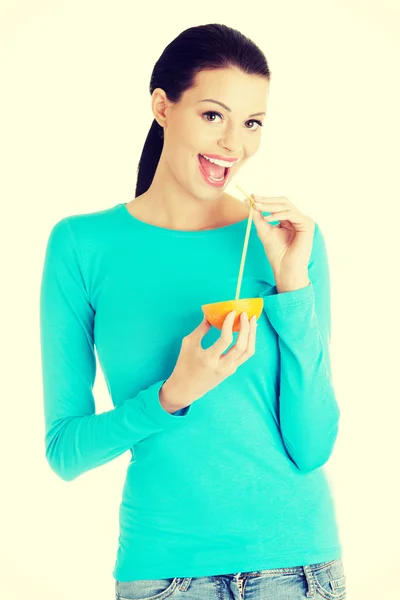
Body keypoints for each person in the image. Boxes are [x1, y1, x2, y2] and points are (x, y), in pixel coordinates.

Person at [40, 22, 347, 600]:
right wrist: (171, 396)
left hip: (299, 569)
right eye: (214, 115)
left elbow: (313, 446)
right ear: (162, 107)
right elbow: (65, 451)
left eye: (252, 123)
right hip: (164, 575)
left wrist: (292, 289)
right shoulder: (82, 245)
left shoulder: (285, 244)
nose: (235, 144)